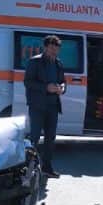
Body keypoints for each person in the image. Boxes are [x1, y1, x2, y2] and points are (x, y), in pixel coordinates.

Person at [24, 34, 66, 178]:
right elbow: (28, 82)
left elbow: (63, 81)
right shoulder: (35, 62)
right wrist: (46, 87)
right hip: (37, 105)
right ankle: (28, 168)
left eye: (56, 49)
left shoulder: (58, 63)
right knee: (34, 137)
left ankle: (47, 167)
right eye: (52, 49)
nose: (54, 52)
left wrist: (62, 88)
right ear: (45, 47)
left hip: (53, 106)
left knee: (50, 138)